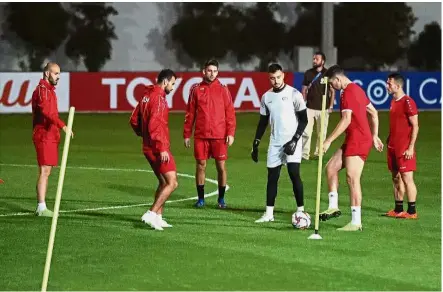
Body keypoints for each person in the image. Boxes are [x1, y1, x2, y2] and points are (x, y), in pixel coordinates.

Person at [321, 65, 384, 231]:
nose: (331, 87)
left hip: (359, 140)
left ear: (337, 79)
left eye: (332, 83)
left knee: (352, 178)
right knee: (331, 168)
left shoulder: (349, 92)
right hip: (353, 138)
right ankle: (333, 207)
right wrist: (375, 135)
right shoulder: (357, 89)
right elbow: (374, 112)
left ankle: (356, 222)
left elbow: (346, 119)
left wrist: (328, 141)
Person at [251, 63, 308, 223]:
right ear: (268, 78)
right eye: (272, 78)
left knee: (294, 174)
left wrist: (295, 140)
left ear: (283, 75)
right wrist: (256, 143)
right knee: (272, 177)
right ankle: (269, 214)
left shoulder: (294, 94)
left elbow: (304, 120)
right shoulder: (266, 97)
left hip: (292, 142)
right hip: (275, 143)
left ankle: (301, 211)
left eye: (278, 77)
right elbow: (262, 122)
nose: (275, 81)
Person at [183, 59, 236, 209]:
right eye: (209, 71)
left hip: (219, 135)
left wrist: (230, 133)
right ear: (204, 71)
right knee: (201, 165)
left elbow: (230, 113)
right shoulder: (195, 89)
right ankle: (201, 199)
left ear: (217, 72)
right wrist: (187, 134)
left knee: (221, 166)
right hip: (201, 135)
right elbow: (190, 113)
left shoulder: (223, 89)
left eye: (215, 71)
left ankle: (221, 199)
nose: (212, 74)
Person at [130, 69, 179, 231]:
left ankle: (158, 217)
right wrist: (162, 147)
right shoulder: (158, 98)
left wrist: (142, 135)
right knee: (172, 183)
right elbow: (155, 125)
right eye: (172, 84)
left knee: (163, 182)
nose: (172, 87)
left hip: (148, 146)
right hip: (158, 148)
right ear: (165, 82)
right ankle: (151, 213)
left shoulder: (146, 96)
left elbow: (134, 120)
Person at [32, 62, 73, 217]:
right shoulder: (42, 90)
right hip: (43, 135)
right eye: (56, 73)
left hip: (50, 135)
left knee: (47, 170)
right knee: (44, 170)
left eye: (59, 74)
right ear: (47, 73)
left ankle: (42, 206)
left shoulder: (50, 91)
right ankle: (41, 207)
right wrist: (63, 126)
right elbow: (47, 112)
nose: (58, 77)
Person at [384, 73, 419, 219]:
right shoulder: (393, 101)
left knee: (407, 178)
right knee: (396, 177)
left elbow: (415, 126)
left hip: (404, 148)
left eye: (389, 84)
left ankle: (411, 211)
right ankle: (398, 209)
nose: (387, 86)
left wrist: (410, 147)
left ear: (398, 86)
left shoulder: (408, 102)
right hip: (392, 146)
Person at [301, 52, 335, 160]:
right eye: (314, 59)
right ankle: (304, 154)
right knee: (306, 132)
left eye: (317, 59)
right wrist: (303, 103)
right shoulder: (308, 73)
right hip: (309, 108)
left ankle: (318, 153)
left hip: (323, 109)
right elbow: (304, 89)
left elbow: (332, 91)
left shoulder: (328, 74)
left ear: (323, 61)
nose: (314, 60)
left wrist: (330, 106)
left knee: (322, 133)